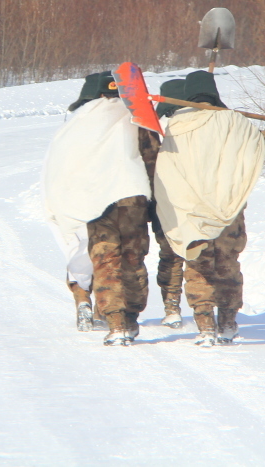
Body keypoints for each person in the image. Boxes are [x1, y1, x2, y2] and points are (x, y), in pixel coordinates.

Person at [153, 70, 265, 346]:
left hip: (191, 212)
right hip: (228, 210)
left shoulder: (177, 128)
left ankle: (205, 327)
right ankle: (227, 323)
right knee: (227, 265)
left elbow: (167, 169)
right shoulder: (234, 122)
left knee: (198, 267)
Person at [43, 71, 158, 346]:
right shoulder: (136, 116)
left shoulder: (78, 123)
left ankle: (114, 323)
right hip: (132, 198)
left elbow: (59, 169)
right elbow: (151, 155)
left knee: (105, 263)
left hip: (93, 204)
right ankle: (130, 320)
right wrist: (155, 202)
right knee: (132, 260)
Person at [150, 79, 186, 329]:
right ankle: (203, 307)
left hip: (160, 202)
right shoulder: (196, 124)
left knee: (169, 255)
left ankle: (171, 306)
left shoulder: (151, 126)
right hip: (192, 200)